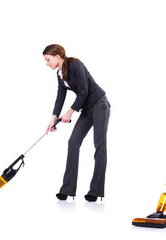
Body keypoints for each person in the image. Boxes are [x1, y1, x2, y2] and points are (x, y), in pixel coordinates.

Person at [42, 44, 110, 202]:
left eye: (48, 60)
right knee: (73, 142)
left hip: (99, 104)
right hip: (86, 108)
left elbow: (84, 91)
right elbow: (60, 96)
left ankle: (96, 191)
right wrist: (53, 118)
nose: (47, 63)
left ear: (57, 56)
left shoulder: (75, 65)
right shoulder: (59, 74)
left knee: (99, 144)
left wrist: (70, 112)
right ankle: (67, 190)